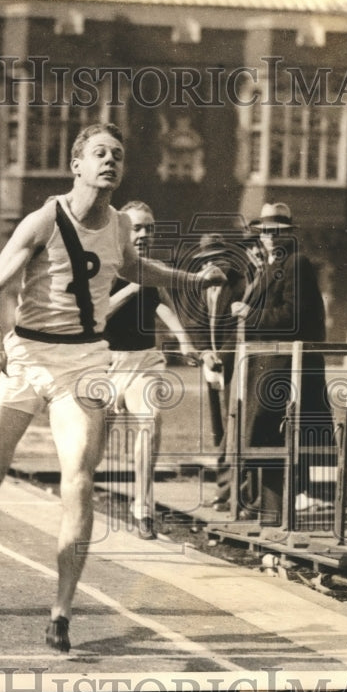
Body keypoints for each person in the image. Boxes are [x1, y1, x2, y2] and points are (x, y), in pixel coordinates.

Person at [0, 123, 225, 653]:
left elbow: (134, 269)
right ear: (77, 165)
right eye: (99, 153)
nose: (110, 161)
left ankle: (61, 612)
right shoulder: (44, 221)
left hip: (83, 363)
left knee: (79, 479)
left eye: (118, 155)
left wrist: (194, 281)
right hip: (26, 355)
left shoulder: (122, 224)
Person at [232, 202, 333, 524]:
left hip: (286, 367)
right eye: (265, 233)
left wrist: (250, 314)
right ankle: (264, 505)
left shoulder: (296, 263)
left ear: (289, 234)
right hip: (270, 365)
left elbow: (293, 316)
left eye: (278, 232)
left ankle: (273, 508)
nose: (271, 238)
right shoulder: (275, 264)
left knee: (273, 434)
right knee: (267, 435)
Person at [103, 200, 197, 540]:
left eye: (150, 229)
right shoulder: (104, 266)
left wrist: (185, 341)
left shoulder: (153, 268)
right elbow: (99, 314)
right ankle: (78, 501)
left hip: (144, 361)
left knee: (151, 421)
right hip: (105, 364)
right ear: (123, 231)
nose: (145, 234)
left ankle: (143, 508)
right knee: (90, 445)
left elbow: (163, 305)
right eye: (138, 228)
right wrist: (133, 286)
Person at [181, 232, 252, 511]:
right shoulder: (199, 287)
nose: (211, 266)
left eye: (217, 260)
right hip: (211, 365)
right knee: (218, 430)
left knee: (234, 427)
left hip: (233, 365)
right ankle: (224, 490)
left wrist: (220, 355)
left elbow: (239, 330)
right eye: (205, 261)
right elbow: (192, 322)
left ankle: (236, 491)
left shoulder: (241, 286)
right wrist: (203, 353)